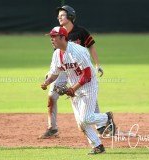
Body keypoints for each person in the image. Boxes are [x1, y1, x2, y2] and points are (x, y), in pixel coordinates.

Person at [41, 26, 116, 154]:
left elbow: (87, 75)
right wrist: (47, 82)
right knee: (81, 123)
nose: (51, 39)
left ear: (62, 37)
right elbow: (55, 73)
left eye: (54, 37)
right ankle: (97, 146)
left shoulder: (77, 51)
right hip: (75, 88)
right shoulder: (56, 54)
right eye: (51, 37)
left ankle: (106, 118)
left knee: (86, 118)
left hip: (88, 86)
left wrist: (72, 88)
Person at [39, 5, 108, 139]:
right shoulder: (57, 33)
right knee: (51, 95)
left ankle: (101, 126)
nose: (59, 17)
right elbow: (57, 57)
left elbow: (91, 46)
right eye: (58, 15)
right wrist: (50, 75)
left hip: (81, 70)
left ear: (70, 16)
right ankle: (52, 128)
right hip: (64, 70)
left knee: (88, 94)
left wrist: (97, 64)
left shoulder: (81, 32)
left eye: (62, 15)